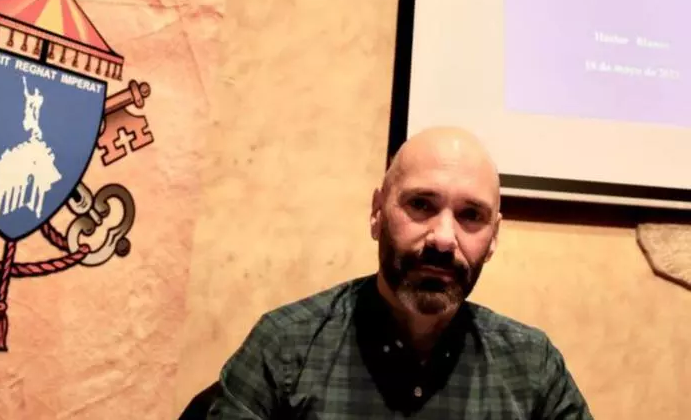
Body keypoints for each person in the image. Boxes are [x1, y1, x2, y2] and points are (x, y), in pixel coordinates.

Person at [205, 126, 593, 419]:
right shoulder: (284, 347)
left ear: (493, 238)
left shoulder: (532, 366)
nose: (444, 239)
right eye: (421, 204)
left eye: (471, 215)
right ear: (377, 213)